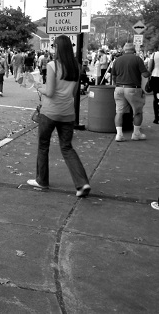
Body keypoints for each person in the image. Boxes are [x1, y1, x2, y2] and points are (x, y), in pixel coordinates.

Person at [27, 35, 91, 197]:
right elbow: (74, 93)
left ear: (57, 48)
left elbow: (49, 92)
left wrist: (38, 86)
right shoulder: (76, 67)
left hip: (50, 111)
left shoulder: (52, 65)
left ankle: (42, 180)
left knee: (43, 145)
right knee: (67, 147)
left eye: (54, 46)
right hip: (68, 112)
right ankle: (82, 183)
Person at [110, 43, 150, 142]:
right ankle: (136, 134)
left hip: (119, 88)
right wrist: (149, 70)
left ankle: (119, 135)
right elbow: (145, 74)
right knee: (138, 112)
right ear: (134, 50)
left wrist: (117, 84)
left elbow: (113, 76)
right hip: (133, 88)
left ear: (124, 50)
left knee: (119, 112)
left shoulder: (117, 60)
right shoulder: (137, 59)